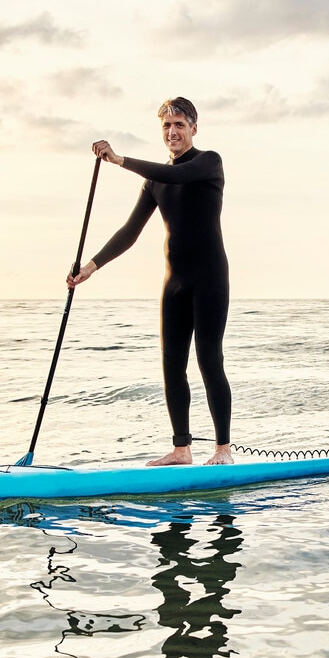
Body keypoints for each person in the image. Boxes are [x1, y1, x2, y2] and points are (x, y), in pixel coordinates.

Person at [70, 97, 234, 466]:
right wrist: (91, 266)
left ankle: (223, 450)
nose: (172, 132)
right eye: (166, 126)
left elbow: (176, 175)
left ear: (194, 127)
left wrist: (118, 160)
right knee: (171, 365)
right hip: (174, 282)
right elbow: (129, 232)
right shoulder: (153, 183)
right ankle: (181, 449)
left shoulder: (209, 162)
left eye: (179, 124)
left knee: (209, 360)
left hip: (209, 279)